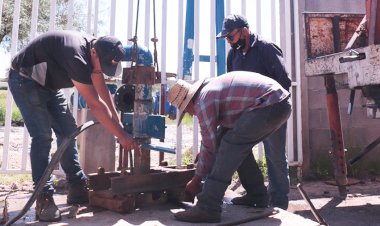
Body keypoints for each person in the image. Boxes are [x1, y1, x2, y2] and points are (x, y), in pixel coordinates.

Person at [8, 30, 136, 222]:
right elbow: (95, 104)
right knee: (42, 136)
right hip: (25, 80)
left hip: (48, 86)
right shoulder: (76, 54)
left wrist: (117, 122)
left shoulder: (94, 51)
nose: (102, 71)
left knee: (68, 131)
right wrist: (121, 135)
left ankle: (77, 186)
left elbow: (102, 88)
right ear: (94, 53)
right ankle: (44, 196)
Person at [169, 71, 291, 223]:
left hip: (270, 104)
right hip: (276, 102)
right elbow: (215, 139)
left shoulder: (203, 101)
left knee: (230, 146)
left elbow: (210, 145)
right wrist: (205, 153)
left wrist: (196, 180)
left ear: (188, 103)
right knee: (235, 144)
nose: (190, 115)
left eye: (186, 111)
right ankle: (257, 195)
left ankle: (208, 206)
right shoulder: (210, 90)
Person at [216, 14, 292, 210]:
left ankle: (279, 203)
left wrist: (265, 104)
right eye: (226, 38)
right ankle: (254, 195)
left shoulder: (266, 49)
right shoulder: (233, 56)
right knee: (238, 149)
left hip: (270, 112)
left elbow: (284, 82)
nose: (229, 42)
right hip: (248, 116)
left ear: (244, 31)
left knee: (275, 156)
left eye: (230, 37)